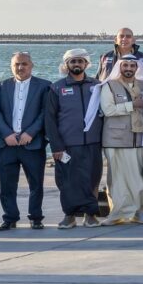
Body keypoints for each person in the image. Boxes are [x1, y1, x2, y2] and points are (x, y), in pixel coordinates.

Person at [44, 49, 104, 229]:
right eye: (72, 61)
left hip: (93, 143)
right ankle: (69, 215)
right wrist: (56, 146)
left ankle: (91, 215)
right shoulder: (56, 88)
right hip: (67, 145)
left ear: (86, 64)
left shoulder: (97, 86)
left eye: (80, 61)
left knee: (92, 179)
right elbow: (50, 119)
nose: (76, 64)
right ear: (66, 64)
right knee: (67, 181)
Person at [0, 51, 49, 231]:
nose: (20, 67)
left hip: (32, 143)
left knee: (36, 184)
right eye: (17, 64)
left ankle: (36, 217)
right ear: (11, 66)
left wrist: (30, 132)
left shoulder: (44, 86)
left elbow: (45, 112)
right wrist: (7, 133)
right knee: (6, 185)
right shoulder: (2, 86)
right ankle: (10, 217)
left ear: (31, 66)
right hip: (6, 144)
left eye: (24, 64)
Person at [99, 54, 143, 225]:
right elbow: (108, 110)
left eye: (132, 66)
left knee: (141, 180)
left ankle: (139, 212)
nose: (129, 69)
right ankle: (117, 213)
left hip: (139, 139)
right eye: (126, 66)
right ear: (119, 67)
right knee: (118, 180)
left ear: (137, 68)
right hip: (116, 140)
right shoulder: (109, 85)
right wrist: (133, 105)